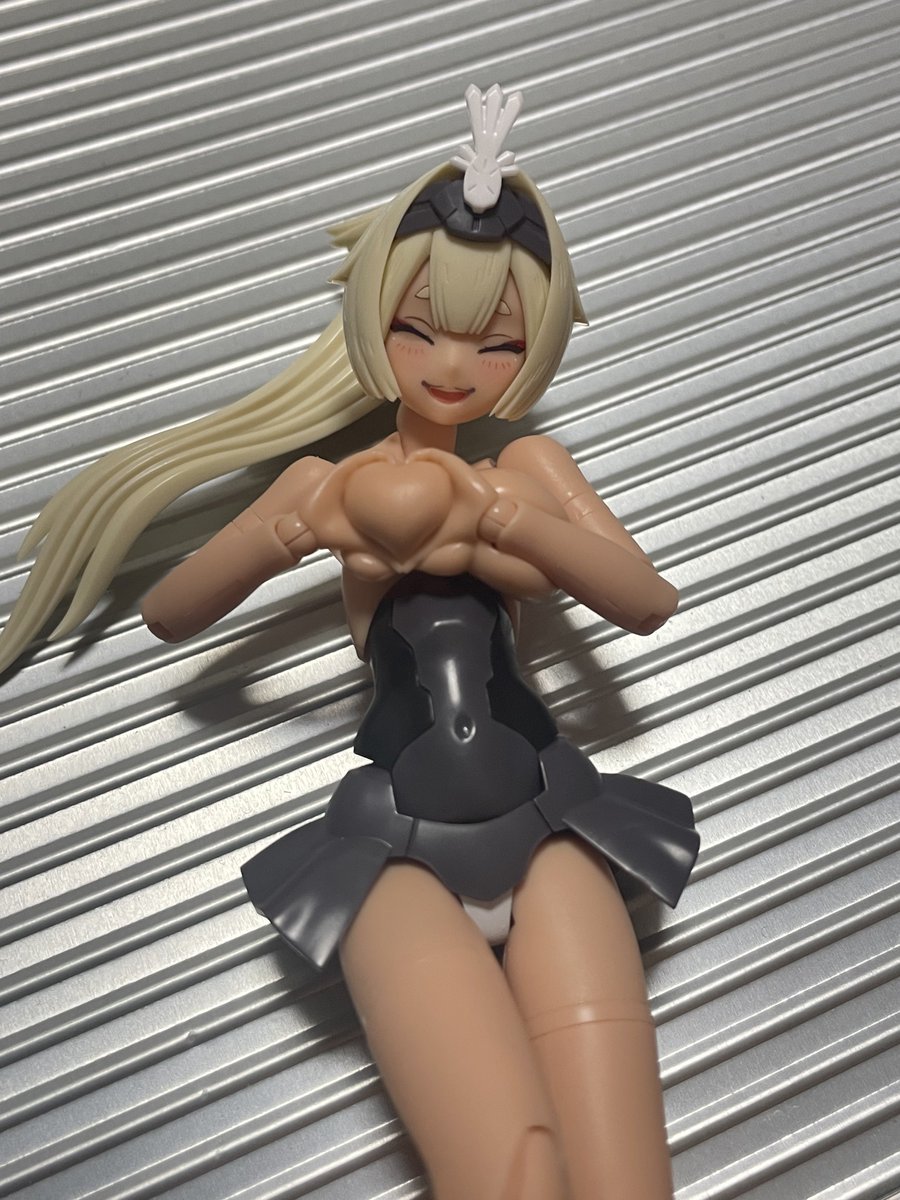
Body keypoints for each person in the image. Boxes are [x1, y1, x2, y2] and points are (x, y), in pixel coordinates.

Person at [0, 86, 697, 1199]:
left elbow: (647, 601)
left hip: (550, 816)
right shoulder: (326, 485)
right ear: (374, 321)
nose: (453, 364)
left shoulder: (526, 470)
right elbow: (170, 612)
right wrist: (289, 531)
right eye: (420, 327)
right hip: (391, 846)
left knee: (622, 1162)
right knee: (509, 1165)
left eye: (496, 340)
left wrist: (507, 522)